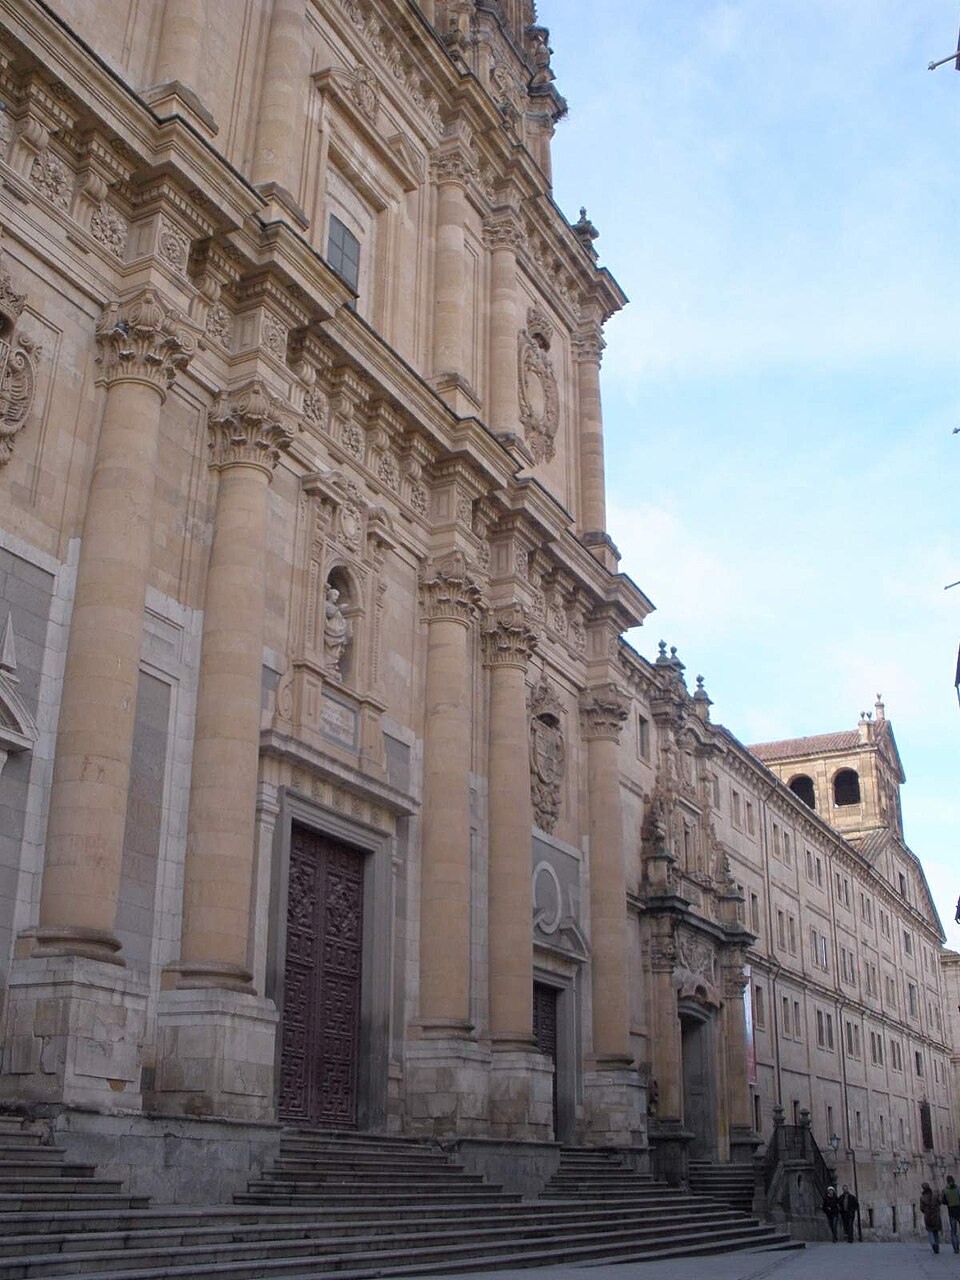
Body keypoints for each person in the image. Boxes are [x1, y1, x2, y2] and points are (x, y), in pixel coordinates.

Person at [921, 1182, 944, 1254]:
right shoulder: (935, 1195)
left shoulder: (922, 1198)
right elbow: (940, 1202)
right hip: (936, 1215)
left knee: (930, 1231)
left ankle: (933, 1244)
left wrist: (926, 1210)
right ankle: (937, 1245)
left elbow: (921, 1208)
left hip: (928, 1216)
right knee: (935, 1232)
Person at [942, 1175, 960, 1254]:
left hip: (951, 1212)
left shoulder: (945, 1191)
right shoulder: (958, 1189)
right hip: (959, 1211)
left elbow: (943, 1201)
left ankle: (956, 1248)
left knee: (953, 1232)